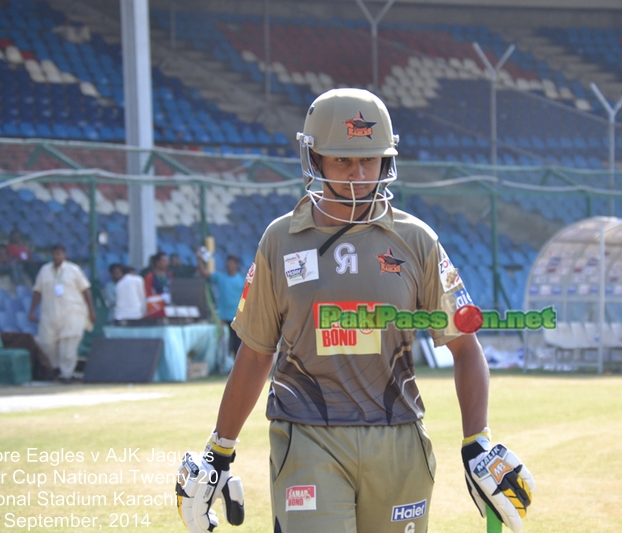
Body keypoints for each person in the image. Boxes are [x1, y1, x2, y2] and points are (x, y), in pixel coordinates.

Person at [175, 88, 534, 533]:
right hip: (306, 437)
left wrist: (477, 441)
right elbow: (254, 354)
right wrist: (220, 449)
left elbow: (465, 346)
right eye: (342, 160)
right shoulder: (279, 240)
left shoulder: (417, 240)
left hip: (399, 439)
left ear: (387, 161)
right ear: (315, 158)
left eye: (369, 160)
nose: (357, 174)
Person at [28, 244, 96, 383]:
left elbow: (85, 290)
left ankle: (66, 374)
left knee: (69, 343)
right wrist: (32, 310)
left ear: (64, 255)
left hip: (72, 312)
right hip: (49, 313)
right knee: (47, 343)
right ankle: (55, 370)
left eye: (59, 254)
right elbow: (37, 291)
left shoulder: (74, 270)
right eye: (54, 254)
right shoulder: (45, 270)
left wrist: (91, 311)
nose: (56, 257)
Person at [195, 251, 245, 362]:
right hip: (223, 317)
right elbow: (203, 272)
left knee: (237, 343)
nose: (229, 265)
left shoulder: (242, 280)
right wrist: (199, 258)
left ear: (236, 264)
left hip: (237, 317)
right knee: (224, 342)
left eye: (231, 263)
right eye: (228, 262)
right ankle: (224, 364)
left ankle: (236, 364)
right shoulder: (220, 277)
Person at [144, 251, 172, 318]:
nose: (167, 263)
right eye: (164, 261)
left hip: (169, 305)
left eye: (167, 261)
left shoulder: (170, 275)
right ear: (157, 263)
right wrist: (160, 297)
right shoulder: (150, 277)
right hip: (156, 307)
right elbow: (148, 294)